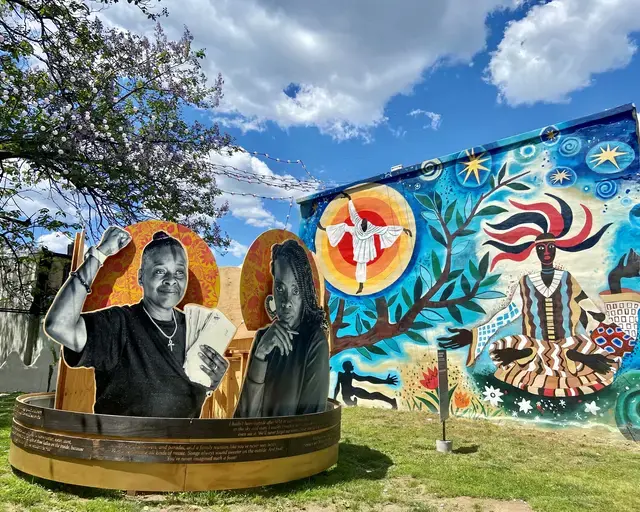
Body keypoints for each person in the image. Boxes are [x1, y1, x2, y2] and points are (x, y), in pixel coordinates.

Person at [439, 194, 636, 397]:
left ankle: (569, 356)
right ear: (535, 251)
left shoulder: (567, 279)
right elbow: (507, 313)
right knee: (503, 348)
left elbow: (588, 309)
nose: (546, 252)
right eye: (541, 248)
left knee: (594, 353)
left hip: (569, 344)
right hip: (535, 346)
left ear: (556, 248)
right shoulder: (526, 282)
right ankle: (533, 354)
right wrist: (474, 335)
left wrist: (614, 289)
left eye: (550, 247)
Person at [44, 227, 228, 418]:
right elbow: (58, 325)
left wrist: (210, 384)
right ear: (141, 276)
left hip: (180, 446)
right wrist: (98, 255)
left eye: (179, 272)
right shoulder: (118, 324)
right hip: (123, 445)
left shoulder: (194, 327)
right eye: (160, 271)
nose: (171, 280)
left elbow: (185, 399)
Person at [234, 239, 330, 418]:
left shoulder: (314, 342)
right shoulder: (263, 337)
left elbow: (310, 422)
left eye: (295, 290)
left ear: (305, 293)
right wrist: (260, 357)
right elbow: (244, 418)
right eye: (280, 288)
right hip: (254, 444)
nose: (286, 302)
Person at [319, 191, 412, 294]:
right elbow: (353, 212)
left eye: (364, 224)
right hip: (357, 242)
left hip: (365, 250)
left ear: (367, 225)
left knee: (361, 264)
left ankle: (361, 285)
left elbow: (385, 229)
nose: (362, 224)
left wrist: (403, 229)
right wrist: (349, 199)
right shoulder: (357, 223)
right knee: (344, 226)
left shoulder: (372, 228)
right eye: (362, 223)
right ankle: (325, 229)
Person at [334, 360, 398, 409]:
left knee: (370, 396)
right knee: (352, 404)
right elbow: (337, 387)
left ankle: (392, 401)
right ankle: (392, 401)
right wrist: (334, 399)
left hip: (353, 391)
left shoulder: (351, 375)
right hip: (348, 394)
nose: (353, 366)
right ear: (347, 367)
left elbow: (368, 378)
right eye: (351, 365)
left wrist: (385, 381)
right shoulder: (341, 375)